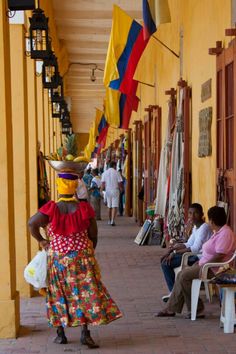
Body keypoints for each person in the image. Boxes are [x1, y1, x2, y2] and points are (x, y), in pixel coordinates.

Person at [28, 172, 122, 348]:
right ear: (75, 188)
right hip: (81, 259)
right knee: (84, 295)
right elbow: (94, 235)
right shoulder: (84, 209)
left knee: (58, 295)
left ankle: (60, 334)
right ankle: (85, 334)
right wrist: (87, 251)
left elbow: (31, 223)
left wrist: (42, 241)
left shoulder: (51, 209)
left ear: (58, 186)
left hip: (58, 260)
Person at [156, 206, 236, 319]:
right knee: (182, 275)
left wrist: (204, 265)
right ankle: (173, 308)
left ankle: (196, 309)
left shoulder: (225, 234)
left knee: (184, 276)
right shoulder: (218, 232)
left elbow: (220, 255)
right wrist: (200, 263)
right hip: (206, 265)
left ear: (212, 220)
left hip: (214, 269)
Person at [160, 203, 212, 302]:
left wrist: (175, 252)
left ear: (202, 214)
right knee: (164, 260)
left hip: (199, 257)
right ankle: (174, 292)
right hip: (193, 255)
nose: (192, 216)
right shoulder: (196, 227)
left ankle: (173, 292)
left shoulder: (204, 227)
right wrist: (172, 249)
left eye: (195, 213)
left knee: (166, 263)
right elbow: (188, 244)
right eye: (190, 213)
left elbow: (195, 248)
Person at [101, 161, 123, 226]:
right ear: (114, 165)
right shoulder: (117, 173)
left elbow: (103, 183)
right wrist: (121, 188)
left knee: (109, 206)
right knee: (114, 206)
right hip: (115, 190)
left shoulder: (104, 173)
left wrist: (101, 190)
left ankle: (109, 220)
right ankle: (113, 221)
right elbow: (120, 183)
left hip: (107, 191)